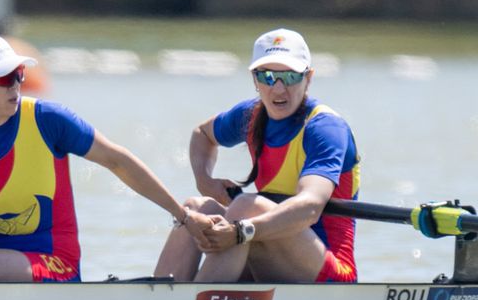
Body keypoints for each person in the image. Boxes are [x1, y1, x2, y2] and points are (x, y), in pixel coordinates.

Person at [0, 33, 207, 282]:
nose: (16, 85)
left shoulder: (48, 120)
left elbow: (118, 161)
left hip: (55, 263)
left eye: (18, 75)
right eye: (3, 77)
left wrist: (183, 215)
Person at [154, 27, 360, 283]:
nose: (279, 89)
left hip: (329, 273)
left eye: (291, 76)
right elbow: (202, 135)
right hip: (268, 248)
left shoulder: (325, 129)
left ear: (309, 78)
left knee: (246, 206)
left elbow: (310, 206)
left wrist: (241, 231)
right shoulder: (249, 116)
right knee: (196, 209)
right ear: (255, 79)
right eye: (268, 76)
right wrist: (204, 179)